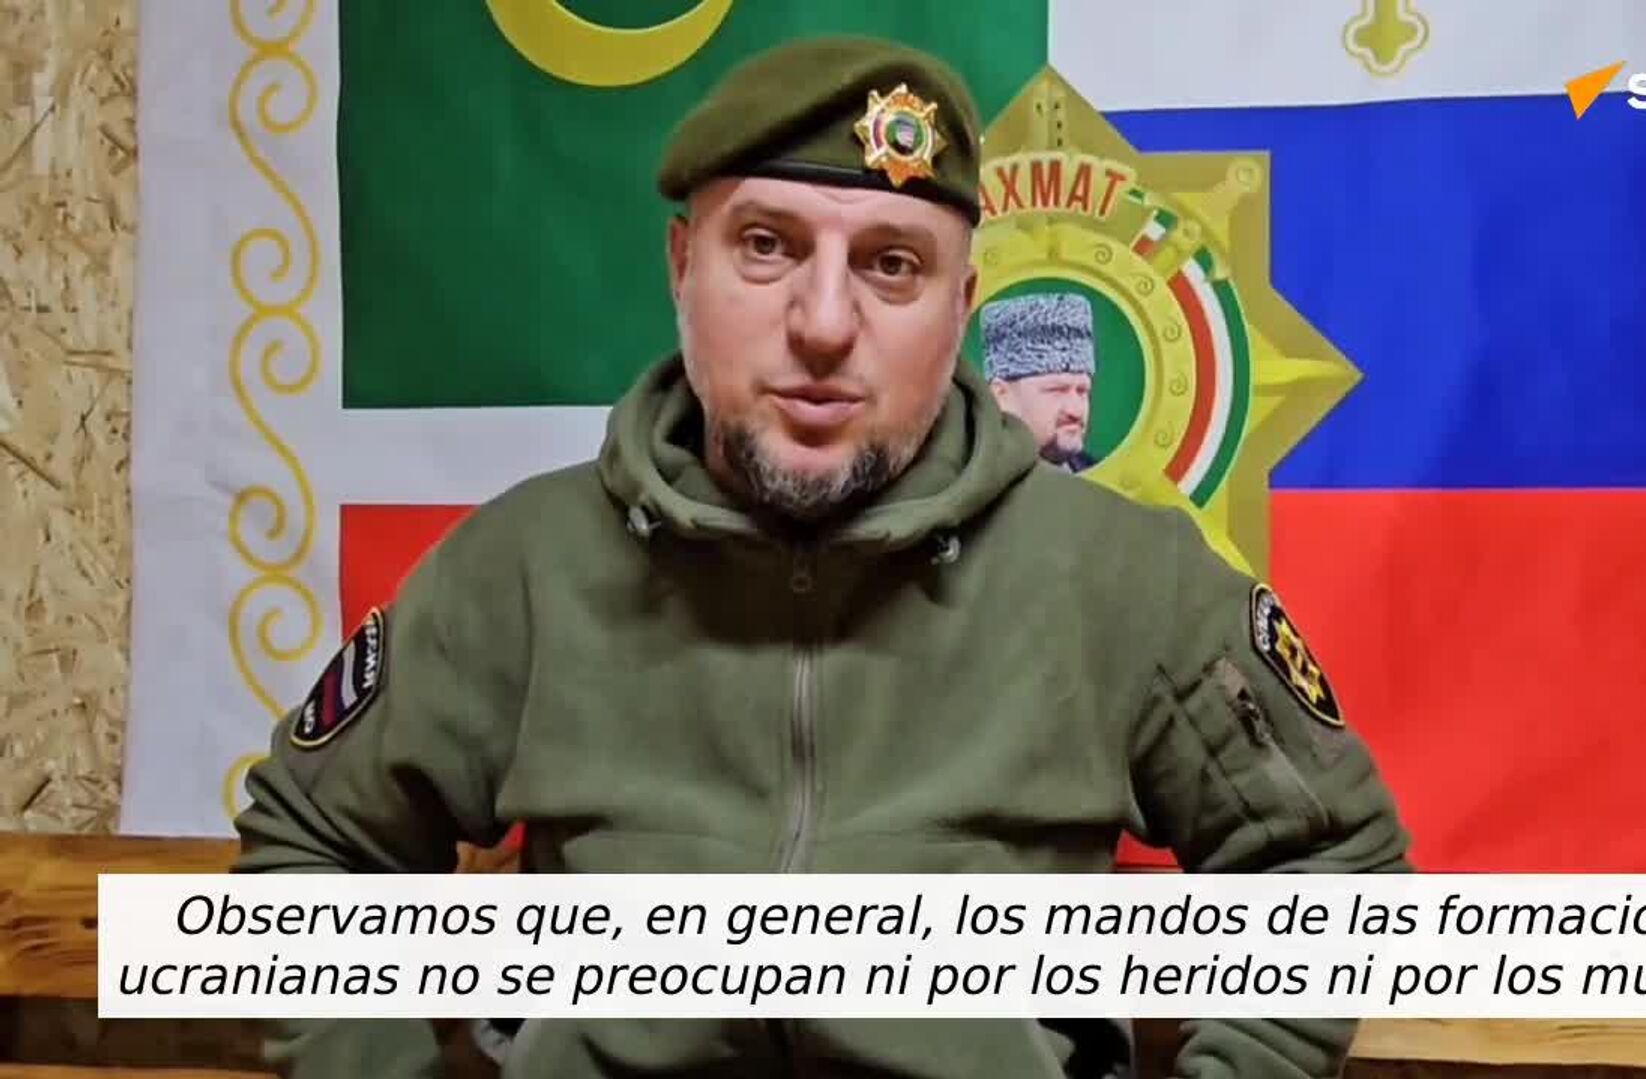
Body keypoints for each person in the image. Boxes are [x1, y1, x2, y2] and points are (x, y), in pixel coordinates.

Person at [230, 33, 1412, 1079]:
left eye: (892, 264)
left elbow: (1329, 857)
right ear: (681, 267)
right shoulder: (524, 568)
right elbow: (312, 841)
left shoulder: (1120, 579)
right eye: (766, 246)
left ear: (963, 305)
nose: (826, 323)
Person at [982, 292, 1101, 473]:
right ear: (1000, 395)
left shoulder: (1101, 478)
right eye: (1057, 390)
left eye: (1082, 391)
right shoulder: (965, 481)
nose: (1075, 411)